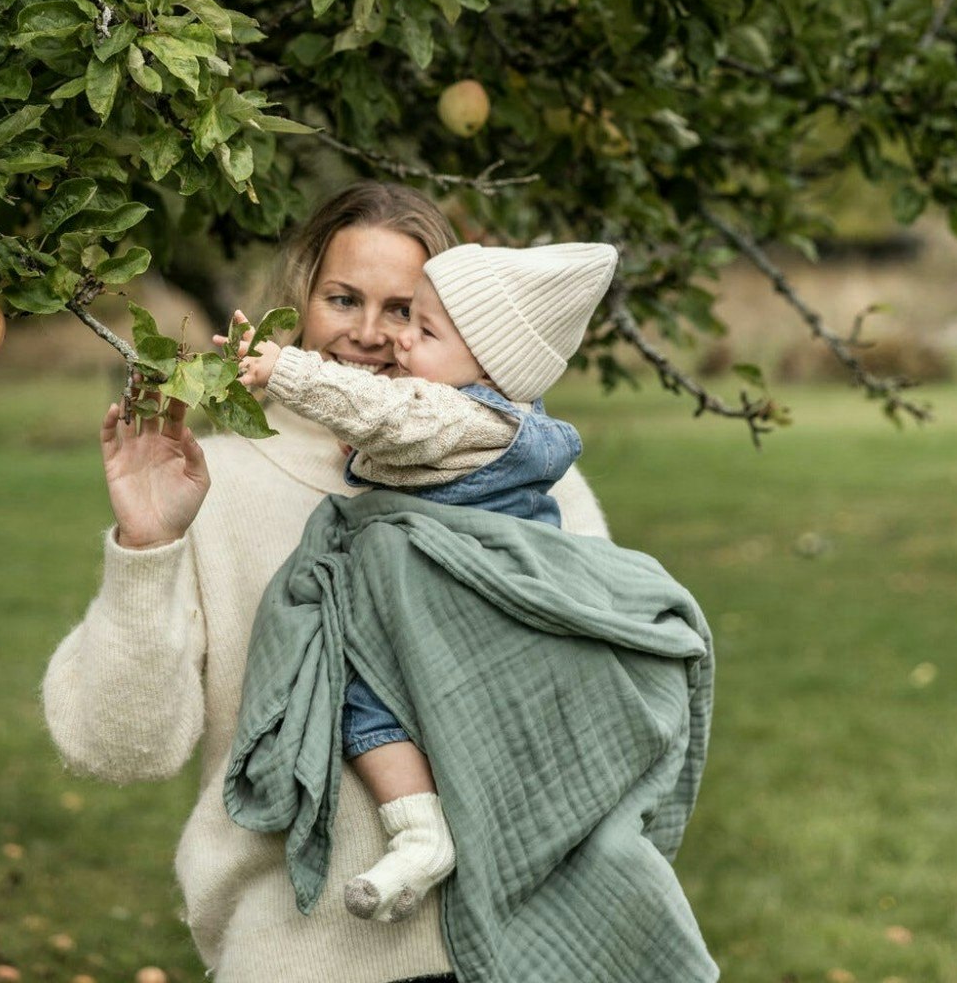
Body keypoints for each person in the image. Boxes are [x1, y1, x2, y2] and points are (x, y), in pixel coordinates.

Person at [39, 182, 613, 983]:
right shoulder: (218, 484)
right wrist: (146, 545)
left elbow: (602, 696)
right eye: (344, 298)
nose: (371, 335)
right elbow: (119, 748)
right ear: (299, 298)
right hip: (301, 957)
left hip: (522, 949)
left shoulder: (533, 483)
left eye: (405, 309)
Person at [215, 239, 618, 927]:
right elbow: (391, 435)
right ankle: (421, 834)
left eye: (419, 325)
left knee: (364, 702)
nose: (395, 339)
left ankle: (425, 832)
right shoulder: (464, 416)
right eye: (347, 300)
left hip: (464, 615)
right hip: (437, 614)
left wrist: (283, 369)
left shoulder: (461, 415)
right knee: (363, 705)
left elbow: (385, 413)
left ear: (489, 369)